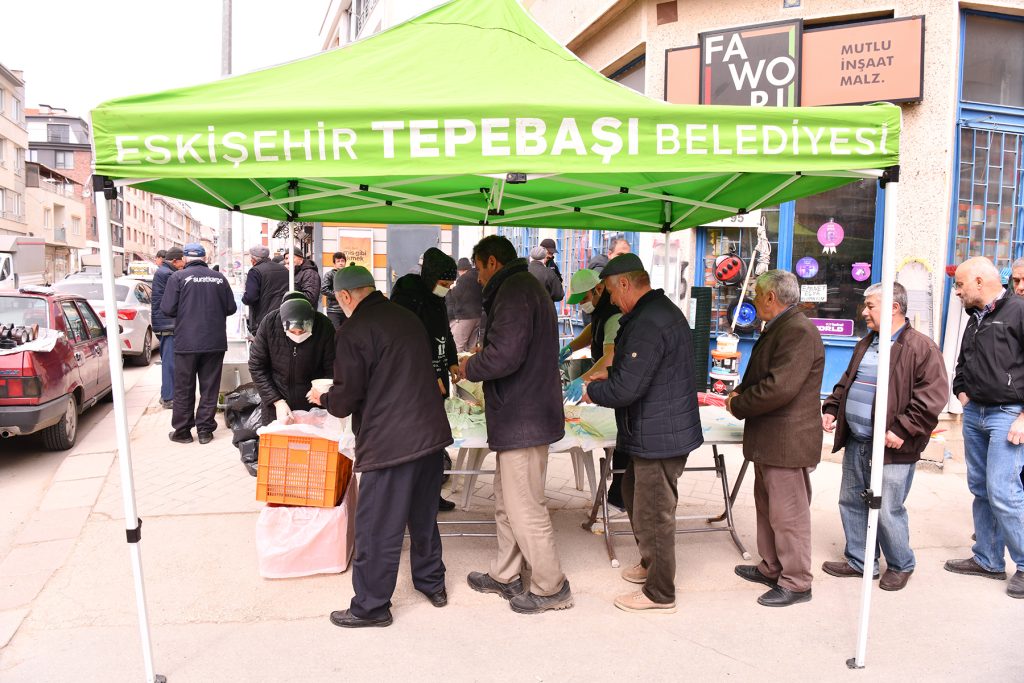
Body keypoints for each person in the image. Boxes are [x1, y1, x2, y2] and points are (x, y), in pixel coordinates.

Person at [307, 266, 453, 628]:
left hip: (390, 443)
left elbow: (347, 398)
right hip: (430, 436)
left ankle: (371, 607)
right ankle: (432, 584)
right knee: (423, 518)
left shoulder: (354, 330)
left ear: (344, 297)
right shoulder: (406, 317)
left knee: (376, 527)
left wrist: (324, 397)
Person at [582, 253, 703, 614]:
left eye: (611, 292)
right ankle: (650, 563)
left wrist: (594, 391)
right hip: (654, 429)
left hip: (659, 433)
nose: (611, 300)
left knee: (654, 513)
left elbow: (626, 390)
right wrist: (612, 372)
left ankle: (660, 592)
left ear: (624, 283)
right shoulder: (654, 311)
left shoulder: (650, 320)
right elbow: (643, 369)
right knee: (635, 494)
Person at [458, 235, 572, 615]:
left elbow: (505, 355)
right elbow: (511, 347)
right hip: (520, 414)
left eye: (477, 267)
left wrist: (470, 366)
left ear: (491, 262)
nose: (475, 277)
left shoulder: (515, 290)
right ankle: (505, 573)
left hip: (524, 416)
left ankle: (550, 585)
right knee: (508, 502)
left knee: (526, 507)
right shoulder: (520, 286)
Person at [820, 283, 948, 591]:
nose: (864, 312)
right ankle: (860, 560)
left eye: (870, 306)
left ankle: (902, 564)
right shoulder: (866, 343)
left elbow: (933, 397)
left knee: (888, 508)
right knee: (851, 501)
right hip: (858, 440)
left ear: (893, 306)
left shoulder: (922, 347)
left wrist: (902, 429)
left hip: (893, 446)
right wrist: (833, 407)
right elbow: (847, 381)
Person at [726, 270, 824, 607]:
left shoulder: (798, 330)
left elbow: (779, 387)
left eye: (756, 294)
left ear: (770, 297)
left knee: (788, 515)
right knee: (768, 509)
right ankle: (772, 567)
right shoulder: (783, 326)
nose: (753, 299)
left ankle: (797, 581)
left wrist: (739, 403)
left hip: (787, 441)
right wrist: (740, 391)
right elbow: (764, 375)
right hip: (771, 440)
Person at [945, 257, 1024, 599]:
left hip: (1007, 414)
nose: (957, 291)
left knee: (1004, 491)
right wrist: (961, 392)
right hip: (975, 413)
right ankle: (989, 559)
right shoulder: (975, 318)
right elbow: (963, 361)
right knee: (981, 488)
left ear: (979, 281)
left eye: (961, 284)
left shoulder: (1018, 310)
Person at [391, 248, 460, 512]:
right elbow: (405, 344)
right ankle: (411, 499)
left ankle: (432, 494)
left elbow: (445, 332)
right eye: (445, 284)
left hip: (438, 379)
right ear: (431, 277)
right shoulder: (408, 296)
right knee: (416, 443)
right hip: (415, 384)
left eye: (450, 285)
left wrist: (451, 361)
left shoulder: (436, 298)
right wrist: (429, 377)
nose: (448, 289)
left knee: (435, 443)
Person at [561, 268, 627, 508]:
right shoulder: (600, 311)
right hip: (604, 379)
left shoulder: (613, 316)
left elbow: (610, 356)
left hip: (616, 381)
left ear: (598, 289)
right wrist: (570, 348)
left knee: (619, 439)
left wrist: (584, 380)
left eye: (585, 299)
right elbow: (591, 331)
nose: (583, 306)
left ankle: (618, 499)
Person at [160, 243, 237, 445]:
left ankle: (183, 431)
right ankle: (205, 431)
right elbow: (231, 308)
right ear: (205, 257)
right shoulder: (219, 278)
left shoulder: (178, 277)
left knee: (184, 387)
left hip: (187, 341)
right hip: (214, 341)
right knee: (209, 387)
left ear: (185, 258)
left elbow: (167, 308)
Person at [248, 294, 335, 427]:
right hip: (276, 405)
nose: (298, 335)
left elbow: (333, 367)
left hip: (313, 406)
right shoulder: (270, 323)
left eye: (302, 331)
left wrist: (321, 390)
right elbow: (256, 365)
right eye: (293, 332)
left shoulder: (324, 326)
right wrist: (277, 401)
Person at [151, 247, 184, 410]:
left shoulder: (163, 271)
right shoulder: (168, 274)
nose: (183, 265)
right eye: (181, 262)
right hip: (167, 323)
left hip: (164, 322)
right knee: (170, 362)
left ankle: (167, 394)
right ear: (175, 261)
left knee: (169, 361)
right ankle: (168, 397)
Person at [242, 245, 289, 337]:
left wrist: (244, 298)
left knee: (263, 349)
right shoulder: (283, 269)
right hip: (284, 316)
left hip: (263, 320)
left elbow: (251, 297)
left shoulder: (255, 271)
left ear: (253, 259)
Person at [447, 257, 483, 353]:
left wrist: (451, 288)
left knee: (457, 346)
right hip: (478, 315)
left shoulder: (463, 279)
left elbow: (456, 295)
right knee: (472, 347)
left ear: (461, 270)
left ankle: (457, 367)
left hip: (465, 316)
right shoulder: (479, 276)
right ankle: (471, 366)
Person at [321, 251, 348, 330]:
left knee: (346, 332)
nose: (341, 263)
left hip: (347, 309)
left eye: (342, 261)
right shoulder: (329, 274)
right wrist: (338, 295)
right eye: (338, 261)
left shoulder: (348, 274)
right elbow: (323, 289)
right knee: (335, 332)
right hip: (334, 310)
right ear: (334, 263)